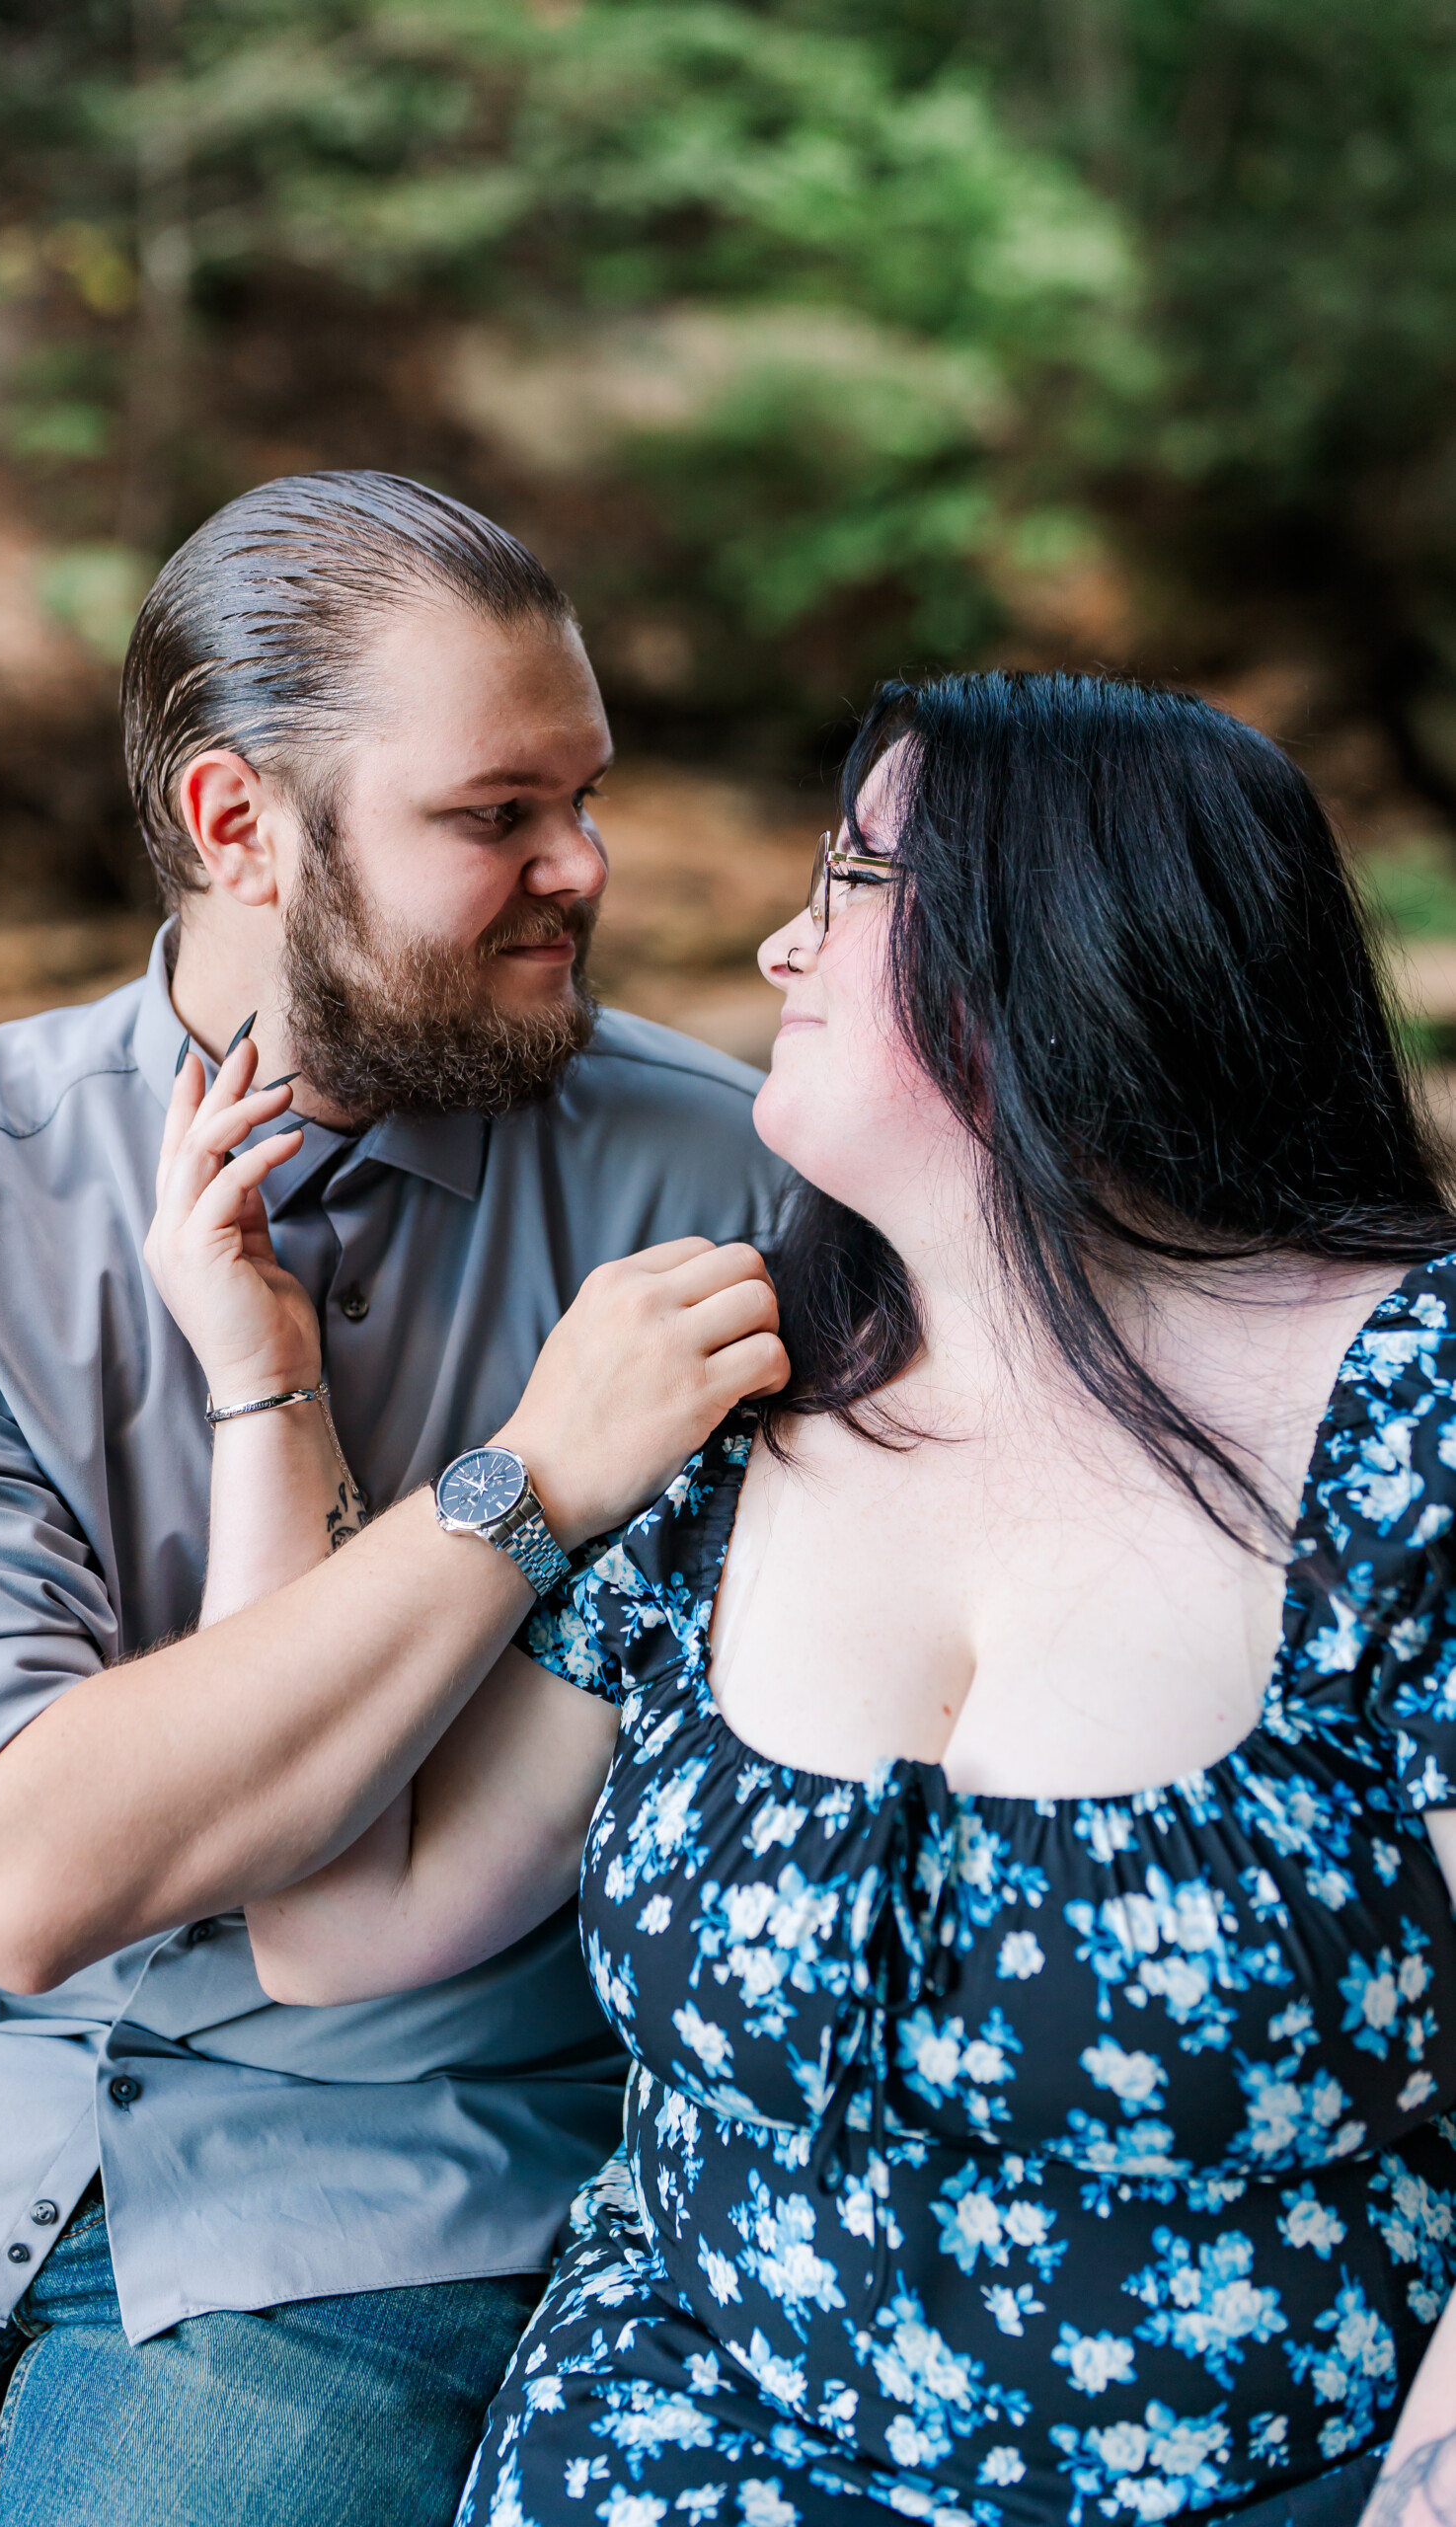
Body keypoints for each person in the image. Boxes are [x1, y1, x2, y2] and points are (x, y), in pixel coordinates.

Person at [143, 670, 1456, 2525]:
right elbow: (342, 1924)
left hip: (1266, 2475)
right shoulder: (734, 1398)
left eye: (847, 874)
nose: (774, 945)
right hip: (675, 2450)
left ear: (1064, 938)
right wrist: (264, 1382)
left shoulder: (1419, 1421)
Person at [0, 470, 792, 2527]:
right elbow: (14, 1881)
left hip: (396, 2174)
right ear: (238, 823)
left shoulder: (735, 1194)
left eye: (581, 795)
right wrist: (523, 1482)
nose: (580, 866)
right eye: (491, 813)